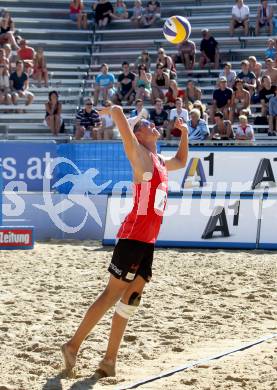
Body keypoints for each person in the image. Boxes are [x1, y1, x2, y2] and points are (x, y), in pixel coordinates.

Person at [61, 104, 188, 379]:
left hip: (148, 240)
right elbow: (122, 122)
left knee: (130, 299)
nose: (153, 125)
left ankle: (109, 361)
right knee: (111, 294)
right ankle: (72, 345)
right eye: (147, 125)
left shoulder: (159, 161)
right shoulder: (138, 154)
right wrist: (115, 112)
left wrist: (185, 133)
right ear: (139, 135)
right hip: (133, 237)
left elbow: (182, 161)